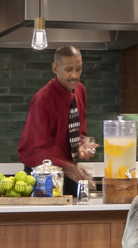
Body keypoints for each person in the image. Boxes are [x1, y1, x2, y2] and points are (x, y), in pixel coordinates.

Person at [16, 43, 98, 192]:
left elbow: (80, 131)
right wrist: (69, 168)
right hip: (43, 177)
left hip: (69, 172)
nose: (74, 75)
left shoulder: (80, 90)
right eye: (68, 70)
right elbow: (32, 151)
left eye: (78, 69)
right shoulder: (42, 100)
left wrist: (83, 144)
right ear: (55, 68)